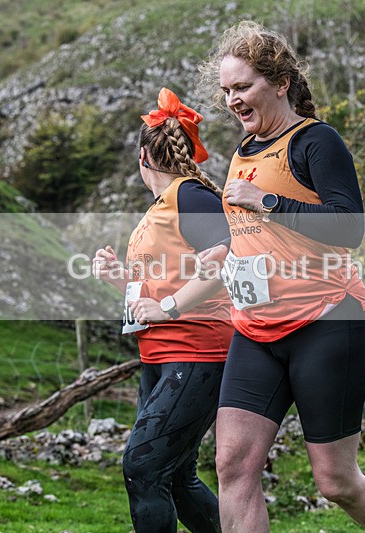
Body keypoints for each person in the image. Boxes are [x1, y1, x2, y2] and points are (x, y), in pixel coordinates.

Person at [198, 21, 365, 532]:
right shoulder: (242, 154)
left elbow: (349, 227)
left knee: (336, 481)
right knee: (233, 467)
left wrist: (269, 201)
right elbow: (257, 238)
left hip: (327, 322)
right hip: (256, 330)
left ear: (281, 82)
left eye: (242, 87)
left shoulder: (316, 141)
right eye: (226, 91)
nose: (232, 100)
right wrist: (224, 255)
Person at [93, 87, 232, 533]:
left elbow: (227, 262)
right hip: (160, 355)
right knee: (173, 474)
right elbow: (153, 293)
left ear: (142, 156)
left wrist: (169, 306)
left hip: (196, 352)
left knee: (143, 466)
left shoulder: (191, 197)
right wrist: (117, 277)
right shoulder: (164, 206)